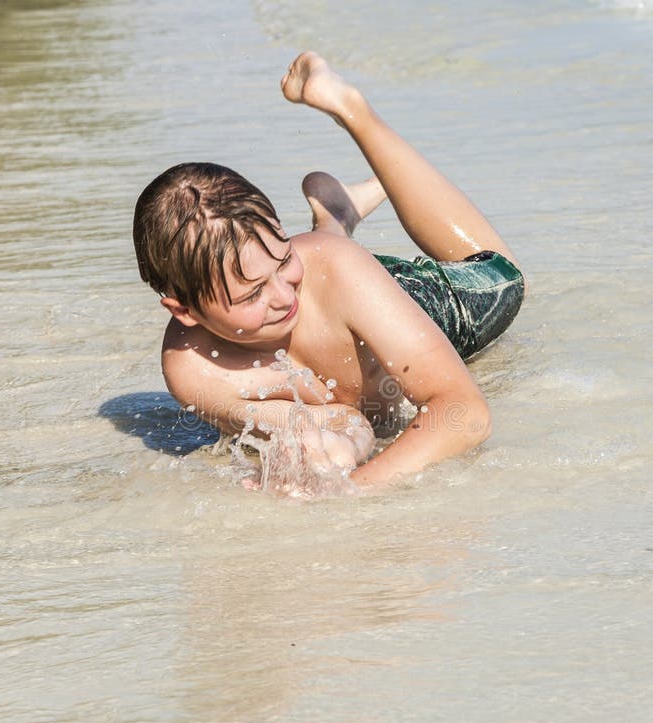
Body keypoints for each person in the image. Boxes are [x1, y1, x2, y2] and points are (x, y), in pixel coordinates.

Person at [133, 51, 524, 487]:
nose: (283, 296)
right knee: (321, 263)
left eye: (283, 259)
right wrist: (322, 455)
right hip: (333, 275)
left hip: (388, 293)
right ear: (185, 311)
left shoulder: (333, 274)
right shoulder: (194, 368)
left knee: (504, 274)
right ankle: (334, 218)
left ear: (281, 232)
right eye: (251, 294)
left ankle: (352, 109)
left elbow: (465, 414)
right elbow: (329, 419)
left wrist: (355, 489)